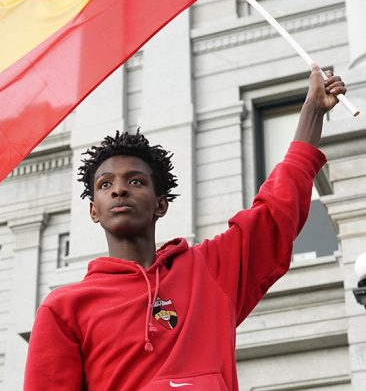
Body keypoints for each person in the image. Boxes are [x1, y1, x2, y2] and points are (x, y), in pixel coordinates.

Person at [23, 65, 346, 391]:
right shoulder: (64, 309)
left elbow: (275, 212)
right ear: (94, 211)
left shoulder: (210, 270)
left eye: (136, 181)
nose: (119, 190)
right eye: (105, 184)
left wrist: (312, 111)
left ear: (160, 204)